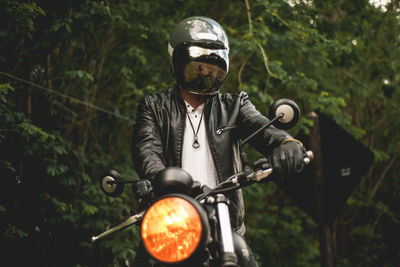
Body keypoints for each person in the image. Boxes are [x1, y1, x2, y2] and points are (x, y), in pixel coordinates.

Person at [132, 16, 304, 267]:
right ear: (177, 65)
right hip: (171, 221)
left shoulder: (235, 106)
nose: (206, 76)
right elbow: (146, 150)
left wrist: (286, 143)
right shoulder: (155, 107)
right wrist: (166, 181)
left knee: (242, 257)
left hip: (224, 221)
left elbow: (262, 128)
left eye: (213, 70)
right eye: (197, 68)